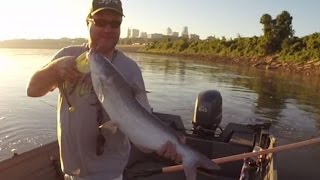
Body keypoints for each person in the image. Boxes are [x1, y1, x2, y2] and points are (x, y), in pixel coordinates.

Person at [27, 0, 185, 179]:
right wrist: (54, 69)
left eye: (115, 23)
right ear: (88, 22)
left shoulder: (130, 69)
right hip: (71, 171)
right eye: (100, 22)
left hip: (109, 173)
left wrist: (164, 144)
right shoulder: (66, 56)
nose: (108, 29)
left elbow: (142, 126)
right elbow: (32, 90)